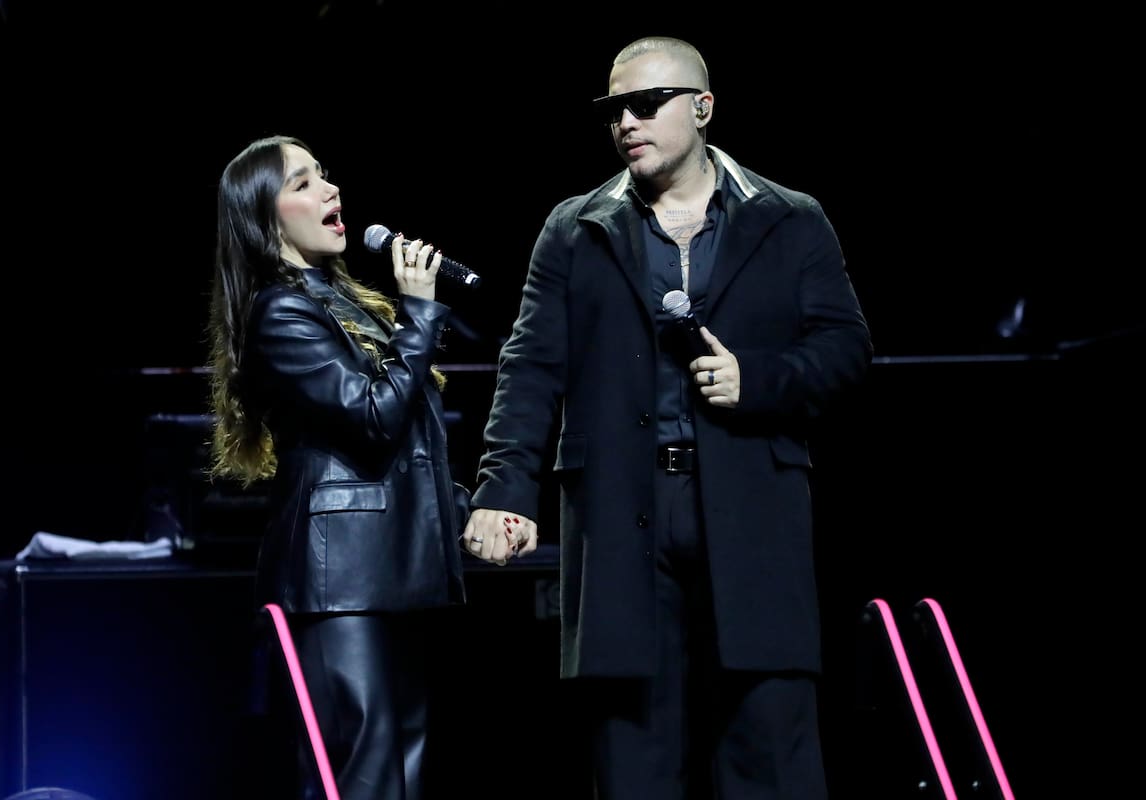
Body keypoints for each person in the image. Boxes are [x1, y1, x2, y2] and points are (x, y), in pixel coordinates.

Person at [463, 36, 872, 799]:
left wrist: (762, 379)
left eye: (646, 105)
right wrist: (503, 489)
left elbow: (847, 348)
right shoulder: (576, 227)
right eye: (613, 108)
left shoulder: (789, 218)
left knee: (770, 752)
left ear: (703, 108)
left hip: (752, 507)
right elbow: (531, 366)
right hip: (624, 517)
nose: (627, 121)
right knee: (634, 761)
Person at [206, 134, 468, 800]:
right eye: (302, 183)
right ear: (265, 218)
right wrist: (417, 313)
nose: (331, 190)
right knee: (364, 775)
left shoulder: (347, 305)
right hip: (339, 585)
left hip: (397, 571)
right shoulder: (280, 313)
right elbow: (373, 415)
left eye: (325, 175)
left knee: (403, 771)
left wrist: (469, 512)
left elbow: (407, 442)